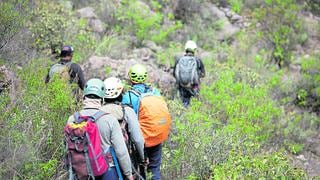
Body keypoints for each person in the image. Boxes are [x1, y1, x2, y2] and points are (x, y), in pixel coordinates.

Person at [66, 78, 134, 180]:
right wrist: (129, 174)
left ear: (83, 97)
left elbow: (67, 148)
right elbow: (121, 151)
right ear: (102, 99)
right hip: (107, 170)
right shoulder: (109, 120)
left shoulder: (73, 119)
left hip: (81, 170)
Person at [122, 64, 169, 180]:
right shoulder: (155, 92)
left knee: (140, 168)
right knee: (155, 168)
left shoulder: (128, 97)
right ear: (145, 77)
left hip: (140, 140)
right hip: (156, 136)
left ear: (131, 78)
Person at [100, 77, 146, 178]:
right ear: (120, 93)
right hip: (127, 160)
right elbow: (138, 139)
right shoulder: (127, 111)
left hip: (101, 162)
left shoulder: (97, 113)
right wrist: (143, 158)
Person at [173, 40, 205, 107]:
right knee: (195, 104)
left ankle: (184, 112)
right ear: (194, 50)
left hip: (182, 86)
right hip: (194, 86)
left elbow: (174, 74)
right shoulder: (198, 60)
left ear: (186, 49)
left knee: (184, 103)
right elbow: (203, 74)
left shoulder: (179, 59)